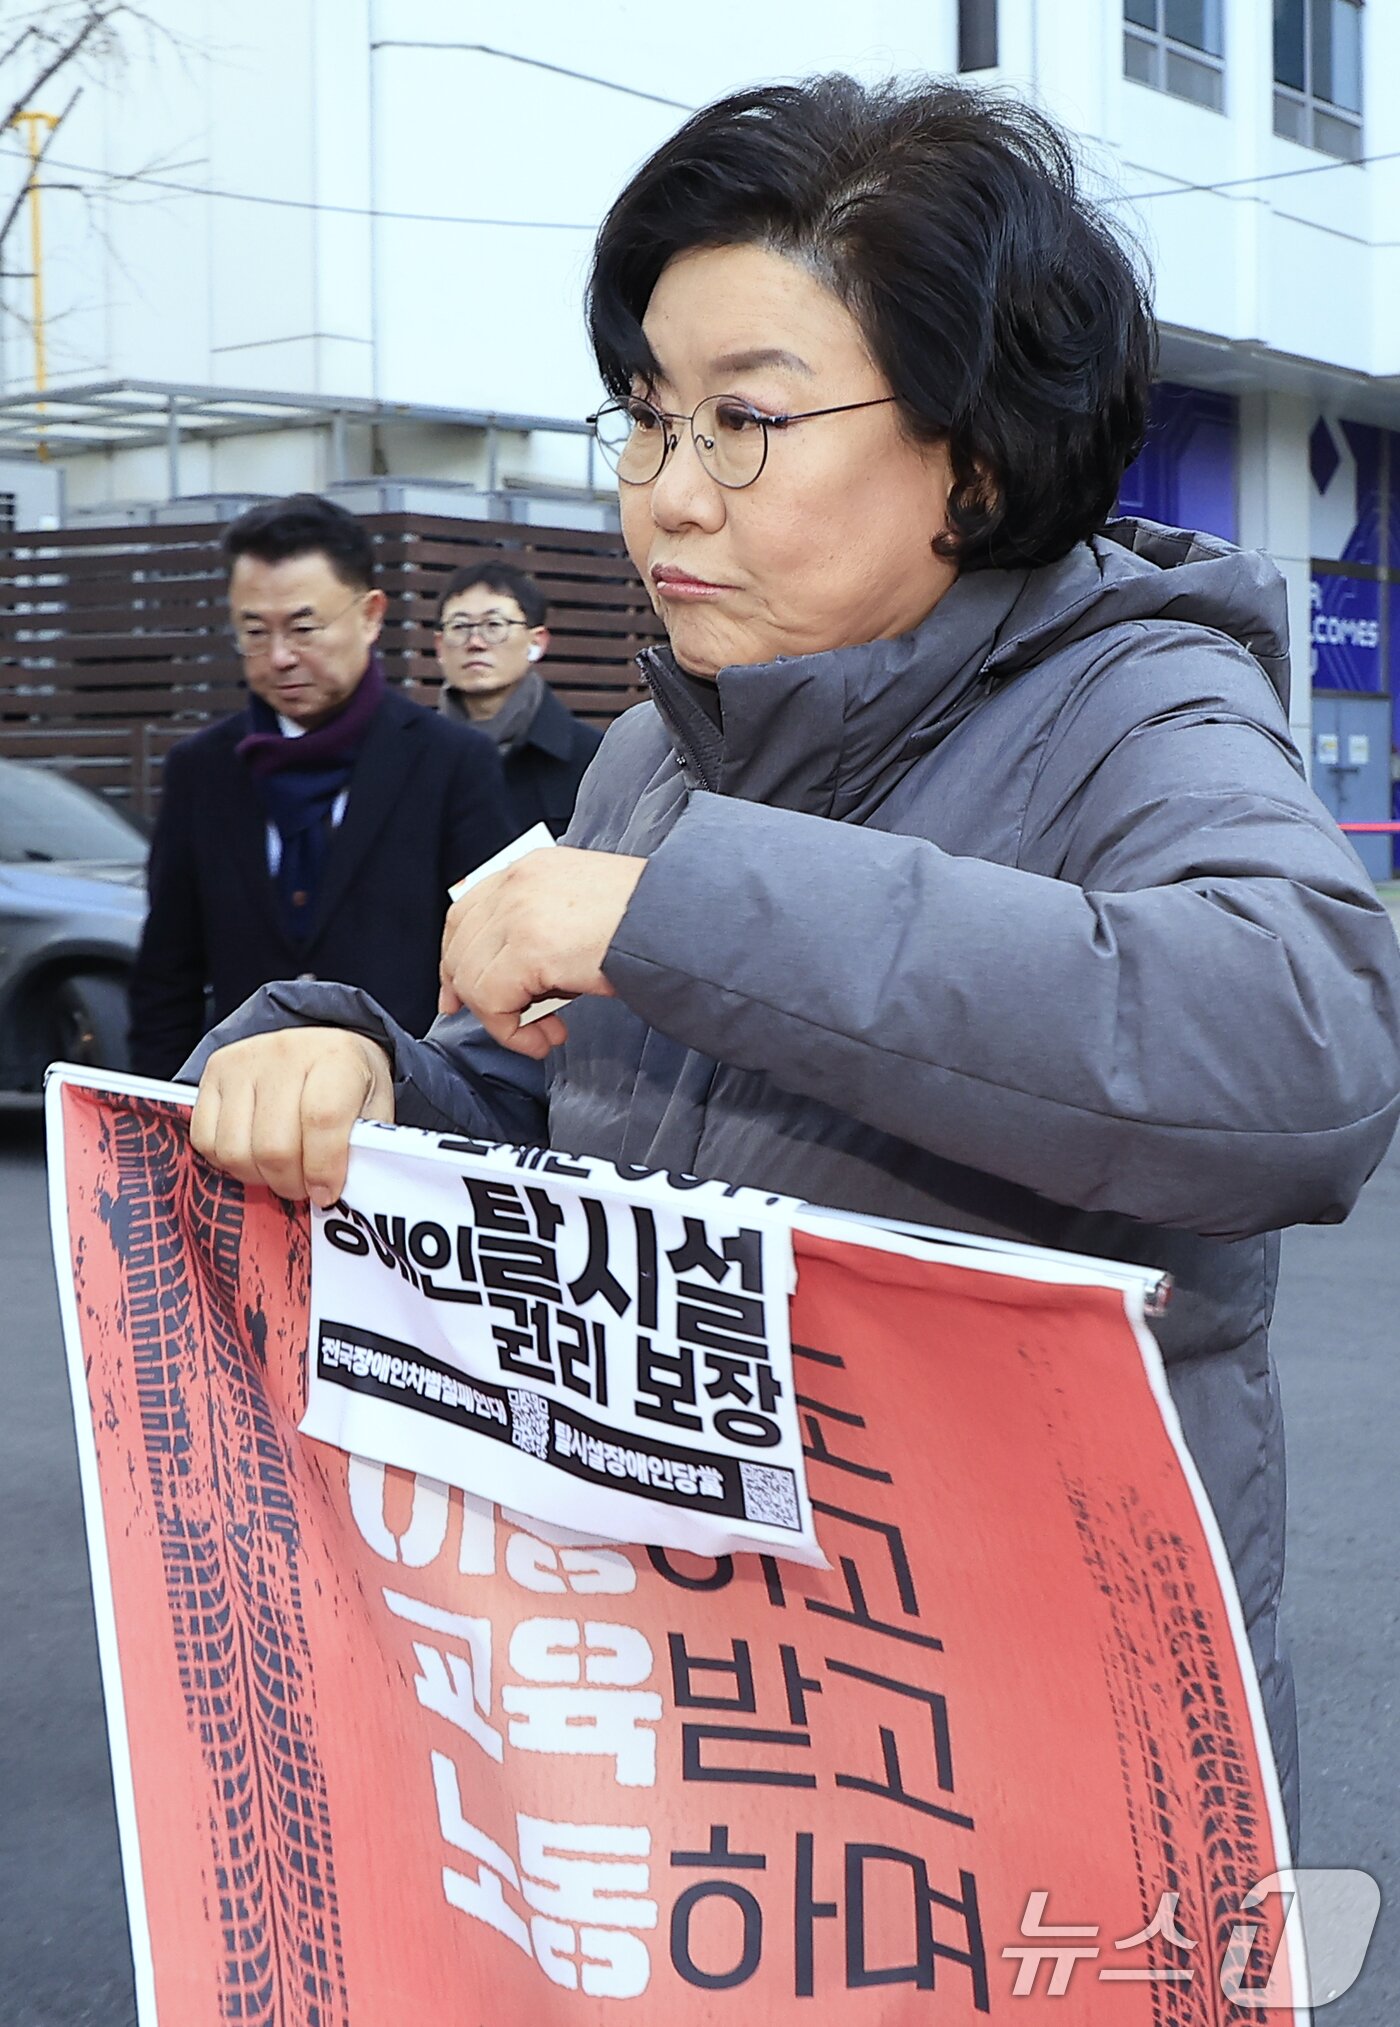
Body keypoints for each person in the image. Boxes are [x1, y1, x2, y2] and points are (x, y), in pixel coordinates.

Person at [181, 78, 1400, 1846]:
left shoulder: (1142, 701)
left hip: (1031, 1762)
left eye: (745, 421)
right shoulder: (665, 749)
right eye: (646, 418)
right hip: (719, 1727)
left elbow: (1303, 1050)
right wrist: (358, 1064)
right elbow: (571, 1101)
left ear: (969, 458)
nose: (667, 494)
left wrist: (662, 911)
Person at [128, 494, 513, 1076]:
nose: (279, 657)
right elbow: (166, 976)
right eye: (254, 632)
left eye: (304, 627)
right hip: (240, 1111)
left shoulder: (452, 763)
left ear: (370, 615)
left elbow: (498, 959)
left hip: (404, 1105)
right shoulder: (202, 770)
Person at [434, 562, 602, 837]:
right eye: (460, 626)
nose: (475, 642)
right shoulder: (412, 755)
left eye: (494, 625)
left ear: (536, 642)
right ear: (440, 646)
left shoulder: (593, 758)